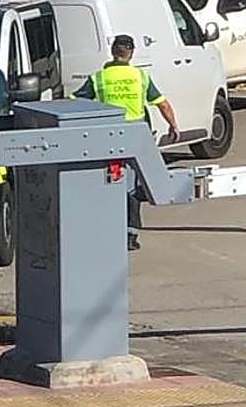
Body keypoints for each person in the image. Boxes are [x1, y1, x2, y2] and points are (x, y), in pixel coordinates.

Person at [74, 34, 180, 251]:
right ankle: (130, 235)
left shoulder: (99, 77)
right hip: (136, 138)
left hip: (107, 136)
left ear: (113, 51)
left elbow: (76, 102)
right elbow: (163, 104)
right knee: (131, 188)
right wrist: (173, 126)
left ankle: (107, 230)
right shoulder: (140, 76)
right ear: (131, 53)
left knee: (108, 184)